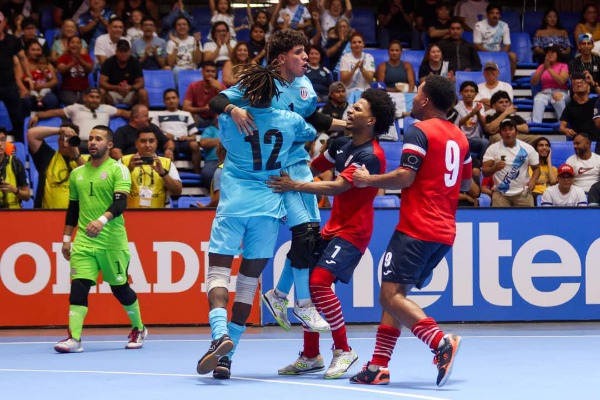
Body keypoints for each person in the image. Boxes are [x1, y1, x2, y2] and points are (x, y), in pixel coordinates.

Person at [209, 29, 348, 333]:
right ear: (282, 58)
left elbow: (315, 120)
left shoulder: (304, 86)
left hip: (293, 164)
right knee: (304, 235)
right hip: (271, 172)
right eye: (299, 52)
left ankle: (282, 296)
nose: (306, 58)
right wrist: (233, 110)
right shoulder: (258, 83)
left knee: (308, 235)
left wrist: (349, 126)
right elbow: (217, 101)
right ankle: (299, 302)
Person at [348, 75, 472, 387]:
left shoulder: (420, 130)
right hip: (444, 231)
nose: (413, 98)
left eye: (417, 93)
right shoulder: (460, 136)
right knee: (396, 295)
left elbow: (405, 177)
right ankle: (378, 366)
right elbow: (468, 184)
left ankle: (439, 341)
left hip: (417, 227)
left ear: (426, 100)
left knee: (389, 296)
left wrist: (368, 179)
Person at [196, 63, 317, 379]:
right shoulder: (290, 120)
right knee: (248, 287)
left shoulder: (229, 119)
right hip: (268, 211)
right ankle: (227, 357)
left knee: (218, 276)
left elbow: (218, 110)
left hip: (234, 207)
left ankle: (219, 334)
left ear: (247, 92)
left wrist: (237, 107)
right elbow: (312, 131)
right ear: (275, 94)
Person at [269, 88, 394, 379]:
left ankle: (344, 350)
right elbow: (312, 167)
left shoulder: (371, 155)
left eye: (358, 109)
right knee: (308, 289)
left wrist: (295, 187)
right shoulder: (339, 144)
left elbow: (337, 186)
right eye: (352, 106)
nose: (351, 111)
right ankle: (311, 355)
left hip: (354, 232)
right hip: (330, 228)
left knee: (320, 284)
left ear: (372, 120)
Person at [54, 125, 147, 353]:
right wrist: (67, 238)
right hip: (85, 241)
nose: (93, 142)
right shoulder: (78, 174)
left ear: (110, 144)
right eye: (91, 139)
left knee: (119, 288)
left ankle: (139, 327)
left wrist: (101, 220)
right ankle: (74, 339)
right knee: (79, 286)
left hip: (111, 240)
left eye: (98, 139)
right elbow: (73, 209)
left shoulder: (118, 170)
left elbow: (120, 203)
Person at [30, 87, 130, 142]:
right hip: (79, 143)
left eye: (97, 97)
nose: (94, 99)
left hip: (100, 144)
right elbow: (56, 112)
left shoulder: (107, 109)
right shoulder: (75, 108)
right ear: (85, 98)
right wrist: (38, 115)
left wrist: (141, 117)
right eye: (91, 97)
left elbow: (122, 112)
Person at [482, 117, 540, 207]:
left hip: (523, 193)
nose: (507, 132)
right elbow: (485, 172)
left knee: (527, 220)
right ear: (500, 134)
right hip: (501, 194)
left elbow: (536, 169)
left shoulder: (527, 148)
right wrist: (494, 168)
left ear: (516, 132)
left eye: (510, 129)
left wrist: (533, 180)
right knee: (500, 220)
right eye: (504, 130)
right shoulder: (492, 149)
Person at [28, 123, 88, 209]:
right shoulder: (47, 156)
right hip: (48, 215)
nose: (66, 143)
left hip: (77, 216)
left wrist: (76, 156)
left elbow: (92, 175)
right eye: (64, 137)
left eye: (71, 139)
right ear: (59, 139)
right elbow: (31, 134)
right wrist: (60, 130)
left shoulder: (86, 159)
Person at [121, 128, 182, 208]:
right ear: (136, 143)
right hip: (130, 213)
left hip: (159, 213)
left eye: (151, 141)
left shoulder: (167, 163)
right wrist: (128, 169)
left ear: (156, 143)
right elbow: (111, 188)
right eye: (143, 141)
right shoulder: (123, 161)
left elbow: (177, 191)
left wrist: (163, 173)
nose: (147, 145)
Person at [152, 88, 201, 174]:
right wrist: (164, 136)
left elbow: (194, 136)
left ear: (178, 99)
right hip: (168, 141)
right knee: (169, 148)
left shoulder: (186, 114)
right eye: (168, 98)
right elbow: (154, 132)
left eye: (173, 98)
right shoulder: (158, 115)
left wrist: (187, 138)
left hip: (184, 141)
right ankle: (170, 175)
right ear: (164, 101)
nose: (171, 100)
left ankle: (197, 173)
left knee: (195, 145)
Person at [0, 10, 30, 142]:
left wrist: (28, 76)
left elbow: (22, 58)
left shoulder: (13, 40)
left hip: (9, 84)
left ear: (4, 23)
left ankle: (20, 147)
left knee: (17, 117)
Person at [98, 39, 149, 107]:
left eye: (126, 51)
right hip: (113, 92)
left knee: (143, 93)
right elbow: (102, 83)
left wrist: (130, 87)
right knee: (101, 92)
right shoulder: (108, 62)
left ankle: (144, 116)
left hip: (130, 93)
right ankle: (100, 116)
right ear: (116, 52)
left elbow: (141, 83)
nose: (123, 54)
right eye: (121, 51)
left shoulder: (135, 62)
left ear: (130, 52)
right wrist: (116, 88)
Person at [473, 4, 517, 79]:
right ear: (487, 14)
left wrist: (500, 55)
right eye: (492, 13)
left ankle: (509, 79)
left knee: (513, 56)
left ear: (500, 15)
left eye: (497, 13)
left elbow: (507, 45)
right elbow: (477, 45)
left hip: (499, 52)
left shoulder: (504, 26)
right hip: (483, 53)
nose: (495, 15)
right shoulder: (479, 25)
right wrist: (490, 54)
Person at [530, 43, 569, 123]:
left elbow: (562, 81)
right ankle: (536, 125)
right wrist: (543, 68)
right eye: (548, 52)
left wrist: (549, 69)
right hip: (545, 92)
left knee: (556, 96)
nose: (550, 54)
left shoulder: (563, 66)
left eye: (553, 52)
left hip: (561, 92)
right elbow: (534, 83)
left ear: (557, 54)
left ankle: (563, 124)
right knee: (538, 99)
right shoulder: (541, 66)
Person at [183, 60, 227, 128]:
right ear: (202, 72)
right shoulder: (193, 86)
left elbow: (228, 105)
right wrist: (203, 109)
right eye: (208, 71)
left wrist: (220, 89)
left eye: (213, 72)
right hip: (198, 118)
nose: (210, 74)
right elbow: (185, 108)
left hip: (215, 119)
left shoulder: (220, 86)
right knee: (188, 116)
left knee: (225, 116)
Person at [561, 72, 600, 142]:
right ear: (573, 89)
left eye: (582, 83)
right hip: (578, 141)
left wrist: (593, 83)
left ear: (589, 88)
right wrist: (565, 130)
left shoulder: (595, 102)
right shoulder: (570, 106)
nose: (579, 84)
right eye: (575, 84)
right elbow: (562, 126)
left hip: (596, 140)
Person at [453, 80, 487, 159]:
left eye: (472, 91)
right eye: (466, 91)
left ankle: (482, 165)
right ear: (461, 93)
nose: (469, 93)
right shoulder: (456, 107)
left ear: (476, 94)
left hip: (475, 139)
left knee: (485, 142)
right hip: (461, 139)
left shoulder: (479, 106)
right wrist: (471, 114)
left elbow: (484, 126)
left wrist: (478, 113)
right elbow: (456, 125)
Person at [56, 36, 94, 106]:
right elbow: (61, 70)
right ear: (68, 45)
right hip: (68, 90)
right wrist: (73, 62)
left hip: (84, 90)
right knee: (74, 105)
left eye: (78, 43)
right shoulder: (63, 57)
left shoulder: (86, 57)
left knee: (89, 103)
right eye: (72, 42)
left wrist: (80, 59)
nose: (75, 44)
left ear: (81, 45)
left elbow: (90, 69)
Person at [0, 128, 30, 208]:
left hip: (13, 214)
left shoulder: (16, 163)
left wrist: (15, 190)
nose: (0, 144)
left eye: (2, 140)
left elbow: (27, 196)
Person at [166, 16, 202, 82]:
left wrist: (197, 43)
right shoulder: (171, 42)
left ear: (188, 27)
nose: (182, 26)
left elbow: (197, 61)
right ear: (175, 28)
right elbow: (170, 63)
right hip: (178, 71)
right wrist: (176, 45)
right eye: (179, 25)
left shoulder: (194, 40)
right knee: (176, 70)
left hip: (193, 69)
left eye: (184, 24)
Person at [530, 137, 557, 205]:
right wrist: (546, 180)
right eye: (541, 145)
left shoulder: (553, 168)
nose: (544, 147)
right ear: (535, 149)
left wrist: (549, 161)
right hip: (534, 194)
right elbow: (530, 183)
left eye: (547, 145)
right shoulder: (530, 166)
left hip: (550, 194)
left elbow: (553, 182)